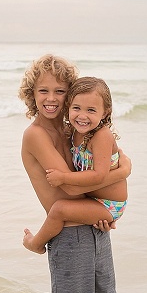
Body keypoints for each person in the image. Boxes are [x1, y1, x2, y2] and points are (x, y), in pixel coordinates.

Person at [18, 54, 129, 293]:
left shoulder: (73, 131)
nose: (51, 99)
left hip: (93, 223)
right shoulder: (36, 134)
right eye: (43, 91)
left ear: (70, 95)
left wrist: (119, 174)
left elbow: (115, 158)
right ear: (32, 95)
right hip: (68, 233)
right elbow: (68, 186)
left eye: (59, 91)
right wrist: (121, 174)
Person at [23, 76, 127, 254]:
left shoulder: (99, 135)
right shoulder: (72, 132)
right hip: (93, 208)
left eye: (91, 110)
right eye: (77, 108)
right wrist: (123, 171)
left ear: (105, 112)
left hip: (108, 205)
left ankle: (35, 243)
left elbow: (97, 176)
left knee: (59, 209)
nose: (82, 115)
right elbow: (75, 187)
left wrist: (63, 177)